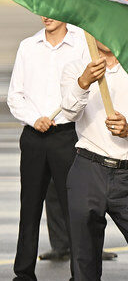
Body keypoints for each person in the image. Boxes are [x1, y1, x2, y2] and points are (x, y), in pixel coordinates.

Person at [60, 39, 128, 280]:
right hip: (87, 172)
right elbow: (69, 113)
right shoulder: (76, 67)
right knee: (84, 260)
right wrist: (83, 82)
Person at [8, 17, 87, 280]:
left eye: (52, 9)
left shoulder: (81, 45)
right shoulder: (28, 46)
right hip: (34, 136)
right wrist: (34, 119)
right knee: (29, 207)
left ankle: (80, 274)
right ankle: (23, 273)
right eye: (42, 10)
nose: (46, 15)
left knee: (73, 207)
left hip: (67, 136)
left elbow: (89, 91)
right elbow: (15, 96)